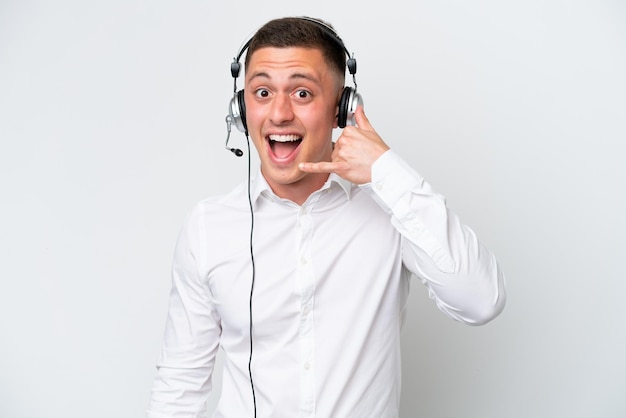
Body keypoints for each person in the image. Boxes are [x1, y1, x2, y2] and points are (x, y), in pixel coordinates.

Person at [147, 16, 506, 418]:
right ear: (241, 108)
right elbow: (179, 387)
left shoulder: (391, 208)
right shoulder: (208, 228)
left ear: (342, 109)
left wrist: (386, 170)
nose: (279, 113)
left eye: (302, 93)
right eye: (262, 92)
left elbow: (480, 300)